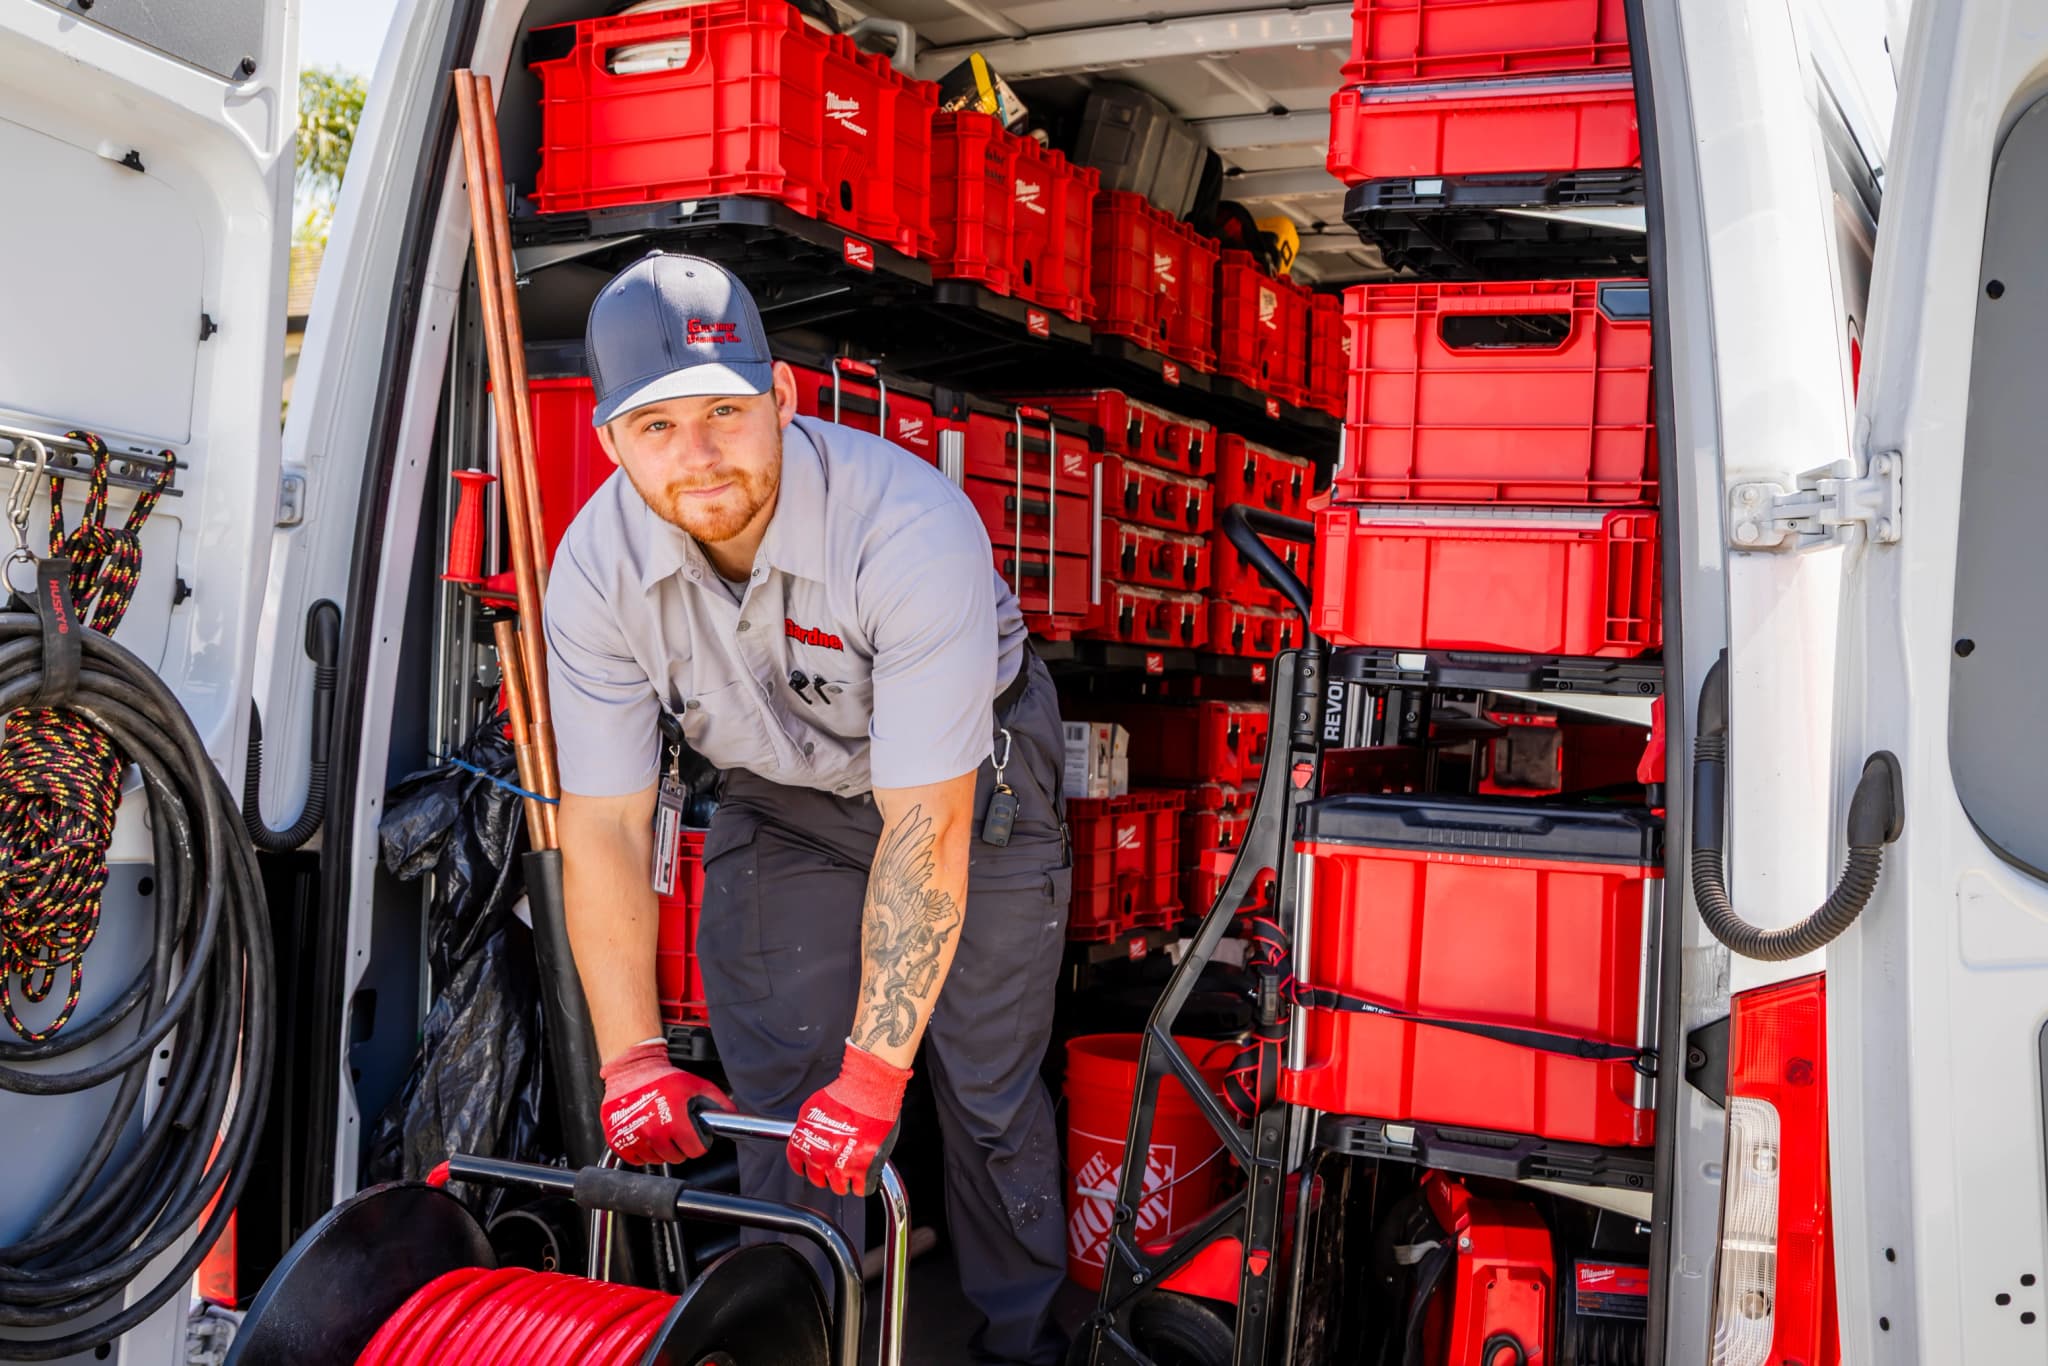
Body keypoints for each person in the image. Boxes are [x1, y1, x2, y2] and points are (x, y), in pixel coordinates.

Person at [544, 252, 1072, 1365]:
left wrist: (878, 1070)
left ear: (782, 396)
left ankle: (1020, 1341)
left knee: (979, 1090)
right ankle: (787, 1343)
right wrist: (630, 1057)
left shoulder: (905, 527)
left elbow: (922, 825)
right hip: (782, 800)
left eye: (725, 412)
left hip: (966, 788)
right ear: (607, 442)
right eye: (654, 428)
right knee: (785, 1098)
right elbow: (601, 825)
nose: (697, 457)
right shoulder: (593, 569)